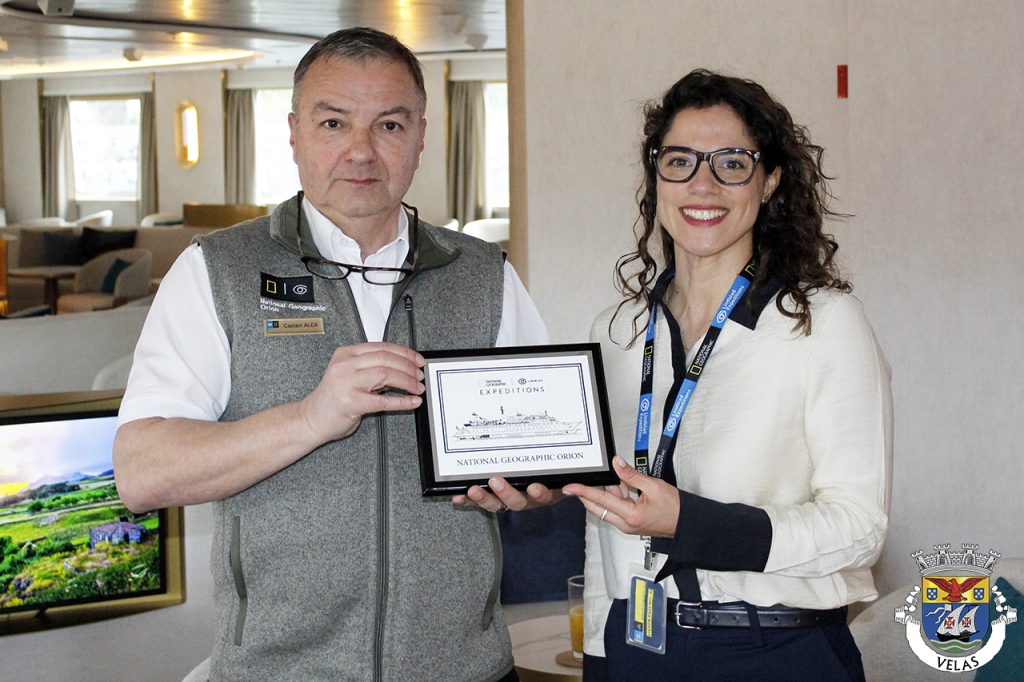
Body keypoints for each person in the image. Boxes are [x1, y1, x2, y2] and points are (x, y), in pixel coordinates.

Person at [113, 27, 551, 681]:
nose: (361, 151)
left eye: (389, 125)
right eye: (333, 123)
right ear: (294, 133)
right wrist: (310, 417)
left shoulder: (485, 274)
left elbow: (544, 450)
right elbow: (142, 473)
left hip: (466, 669)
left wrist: (527, 487)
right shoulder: (216, 271)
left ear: (422, 136)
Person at [562, 69, 893, 681]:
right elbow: (602, 517)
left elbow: (859, 528)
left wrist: (694, 525)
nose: (702, 184)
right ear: (655, 177)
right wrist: (602, 663)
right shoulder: (617, 329)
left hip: (774, 652)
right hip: (637, 646)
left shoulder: (823, 323)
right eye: (679, 161)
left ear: (770, 181)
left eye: (732, 164)